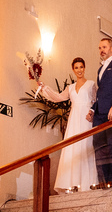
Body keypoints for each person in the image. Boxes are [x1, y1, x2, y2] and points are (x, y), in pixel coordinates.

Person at [35, 57, 97, 192]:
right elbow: (57, 97)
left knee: (85, 147)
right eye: (76, 68)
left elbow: (96, 102)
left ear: (84, 68)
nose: (79, 70)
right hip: (74, 120)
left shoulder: (91, 84)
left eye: (81, 67)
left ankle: (87, 184)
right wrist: (44, 88)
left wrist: (93, 112)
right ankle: (72, 184)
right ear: (73, 70)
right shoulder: (70, 87)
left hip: (87, 120)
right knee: (73, 148)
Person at [88, 38, 112, 188]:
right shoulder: (100, 69)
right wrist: (93, 109)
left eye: (104, 47)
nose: (101, 50)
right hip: (99, 115)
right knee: (98, 147)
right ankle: (102, 182)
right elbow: (101, 93)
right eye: (99, 48)